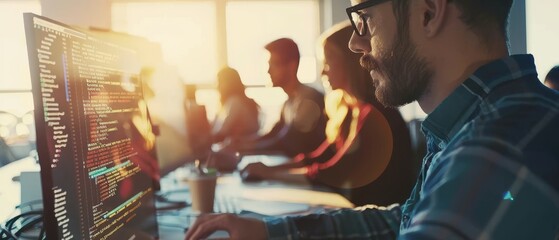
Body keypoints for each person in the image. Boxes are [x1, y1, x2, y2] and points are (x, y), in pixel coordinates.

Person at [186, 0, 559, 239]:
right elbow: (404, 221)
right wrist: (272, 232)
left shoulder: (495, 150)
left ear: (428, 12)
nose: (355, 43)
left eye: (365, 18)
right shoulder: (482, 122)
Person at [241, 21, 416, 206]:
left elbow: (332, 172)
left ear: (349, 62)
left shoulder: (374, 115)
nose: (322, 71)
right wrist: (269, 169)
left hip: (380, 219)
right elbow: (318, 157)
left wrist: (269, 173)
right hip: (357, 207)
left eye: (328, 61)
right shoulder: (349, 110)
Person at [235, 38, 327, 157]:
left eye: (274, 64)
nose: (268, 71)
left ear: (291, 66)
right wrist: (241, 142)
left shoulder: (308, 99)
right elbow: (274, 134)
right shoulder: (289, 101)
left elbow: (286, 142)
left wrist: (241, 149)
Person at [210, 67, 260, 147]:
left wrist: (202, 140)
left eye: (220, 82)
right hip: (240, 150)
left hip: (242, 151)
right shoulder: (230, 103)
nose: (218, 86)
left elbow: (222, 133)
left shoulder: (235, 102)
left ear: (231, 82)